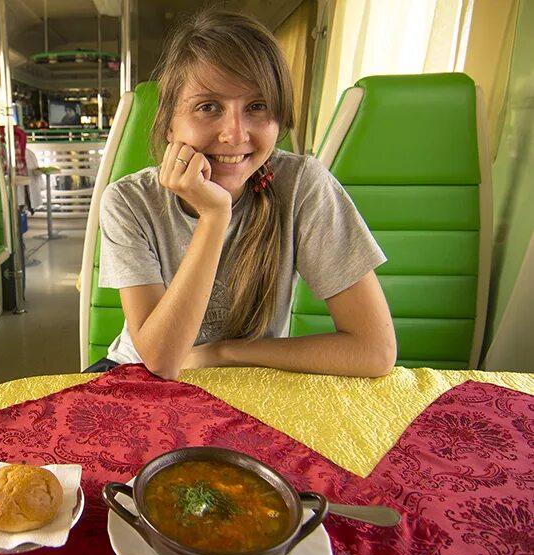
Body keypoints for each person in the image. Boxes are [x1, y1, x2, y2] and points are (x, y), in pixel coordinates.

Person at [96, 8, 396, 380]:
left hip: (251, 376)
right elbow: (162, 360)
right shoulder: (128, 201)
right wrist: (215, 216)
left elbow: (374, 351)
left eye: (257, 107)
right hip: (139, 375)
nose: (235, 135)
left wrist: (222, 352)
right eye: (208, 107)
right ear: (170, 123)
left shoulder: (302, 185)